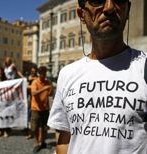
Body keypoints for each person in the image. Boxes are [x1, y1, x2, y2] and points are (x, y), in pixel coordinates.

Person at [47, 0, 147, 154]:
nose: (109, 8)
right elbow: (65, 139)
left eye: (119, 0)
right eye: (97, 0)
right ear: (81, 14)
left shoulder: (144, 67)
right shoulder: (67, 74)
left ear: (127, 10)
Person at [30, 66, 53, 153]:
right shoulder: (35, 82)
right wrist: (44, 88)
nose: (44, 75)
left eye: (45, 73)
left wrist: (51, 90)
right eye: (43, 73)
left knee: (44, 127)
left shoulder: (47, 82)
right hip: (36, 108)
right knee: (35, 128)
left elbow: (50, 94)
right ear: (39, 73)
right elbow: (34, 93)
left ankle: (43, 142)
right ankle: (36, 144)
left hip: (45, 108)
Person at [25, 66, 38, 139]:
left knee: (33, 115)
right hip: (29, 97)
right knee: (28, 114)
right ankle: (28, 129)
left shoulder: (37, 78)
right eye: (32, 71)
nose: (33, 72)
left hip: (35, 99)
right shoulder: (28, 78)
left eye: (34, 71)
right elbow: (27, 86)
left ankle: (32, 132)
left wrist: (31, 84)